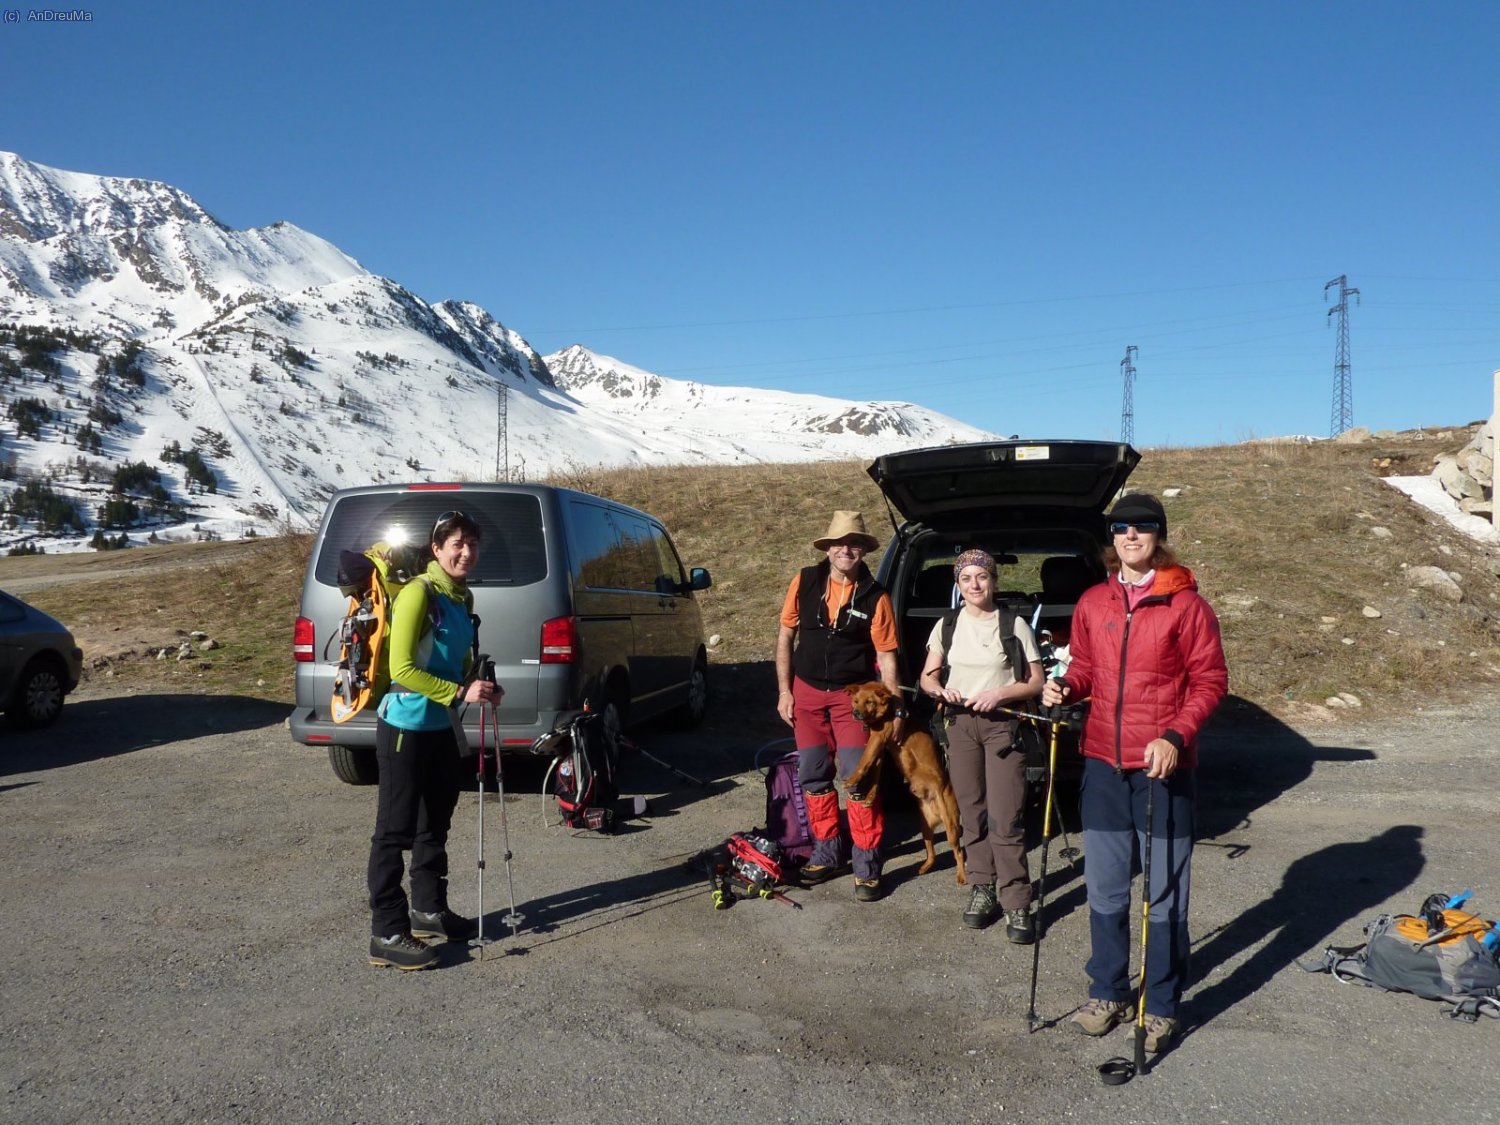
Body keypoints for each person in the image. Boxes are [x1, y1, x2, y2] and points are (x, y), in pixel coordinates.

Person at [1041, 493, 1227, 1053]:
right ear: (1111, 538)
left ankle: (1164, 1003)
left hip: (1160, 768)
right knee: (1104, 887)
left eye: (1143, 528)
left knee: (1165, 893)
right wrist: (1065, 687)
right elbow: (1085, 667)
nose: (1130, 535)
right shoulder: (1094, 601)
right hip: (1102, 764)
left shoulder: (1187, 606)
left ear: (1158, 536)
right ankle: (1108, 990)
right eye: (1121, 527)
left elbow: (1210, 681)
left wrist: (1175, 736)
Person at [367, 510, 501, 970]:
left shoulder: (460, 598)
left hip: (443, 726)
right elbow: (402, 668)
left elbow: (451, 664)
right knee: (394, 831)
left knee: (434, 825)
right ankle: (386, 931)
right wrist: (460, 691)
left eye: (473, 544)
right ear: (437, 548)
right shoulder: (416, 594)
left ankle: (428, 910)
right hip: (404, 727)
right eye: (458, 543)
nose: (467, 552)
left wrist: (478, 684)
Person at [916, 549, 1045, 940]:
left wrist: (1001, 694)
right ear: (958, 585)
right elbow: (926, 677)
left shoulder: (1013, 624)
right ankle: (982, 888)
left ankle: (1017, 903)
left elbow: (1035, 681)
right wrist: (940, 688)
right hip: (960, 725)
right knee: (971, 812)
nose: (975, 585)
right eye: (966, 579)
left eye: (982, 577)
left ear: (993, 581)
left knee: (1006, 817)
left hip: (1003, 726)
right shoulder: (947, 625)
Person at [776, 510, 903, 902]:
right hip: (807, 693)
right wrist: (784, 691)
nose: (846, 550)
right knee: (813, 774)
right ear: (828, 548)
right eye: (839, 544)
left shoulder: (876, 595)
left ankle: (866, 866)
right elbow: (784, 638)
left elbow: (887, 658)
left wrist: (894, 709)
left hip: (854, 700)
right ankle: (827, 853)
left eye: (855, 544)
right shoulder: (804, 581)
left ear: (864, 551)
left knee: (857, 777)